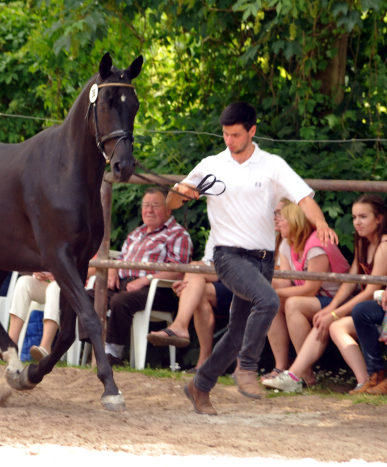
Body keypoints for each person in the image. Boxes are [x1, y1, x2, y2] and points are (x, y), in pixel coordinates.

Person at [169, 102, 337, 415]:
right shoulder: (211, 164)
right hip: (227, 255)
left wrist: (322, 223)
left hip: (263, 259)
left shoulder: (272, 165)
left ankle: (199, 385)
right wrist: (180, 192)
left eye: (235, 135)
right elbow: (173, 200)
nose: (229, 141)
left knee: (235, 333)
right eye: (224, 134)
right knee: (270, 301)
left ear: (252, 131)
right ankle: (246, 369)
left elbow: (304, 197)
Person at [264, 195, 387, 394]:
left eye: (363, 217)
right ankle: (365, 381)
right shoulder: (363, 242)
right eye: (355, 217)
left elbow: (370, 291)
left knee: (326, 319)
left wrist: (334, 312)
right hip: (362, 307)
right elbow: (350, 282)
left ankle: (295, 375)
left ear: (379, 218)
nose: (357, 222)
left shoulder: (384, 245)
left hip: (374, 308)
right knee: (331, 324)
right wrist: (331, 311)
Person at [89, 187, 192, 366]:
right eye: (146, 205)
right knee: (86, 296)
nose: (149, 210)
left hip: (157, 291)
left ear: (168, 209)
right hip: (124, 286)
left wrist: (146, 279)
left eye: (155, 205)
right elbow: (120, 259)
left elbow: (179, 270)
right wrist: (112, 270)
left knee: (122, 301)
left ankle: (113, 354)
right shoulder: (136, 233)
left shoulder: (178, 234)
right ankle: (93, 344)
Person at [262, 200, 349, 382]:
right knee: (271, 301)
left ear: (295, 219)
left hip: (338, 300)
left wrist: (272, 292)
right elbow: (285, 281)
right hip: (316, 297)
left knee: (293, 303)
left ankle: (304, 373)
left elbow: (310, 289)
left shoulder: (316, 244)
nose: (275, 220)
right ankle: (280, 367)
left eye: (280, 216)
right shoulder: (287, 243)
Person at [146, 234, 233, 371]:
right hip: (223, 282)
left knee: (195, 271)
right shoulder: (219, 226)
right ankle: (204, 364)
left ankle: (180, 326)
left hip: (249, 283)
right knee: (196, 285)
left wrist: (191, 287)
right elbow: (210, 263)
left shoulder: (251, 223)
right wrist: (191, 287)